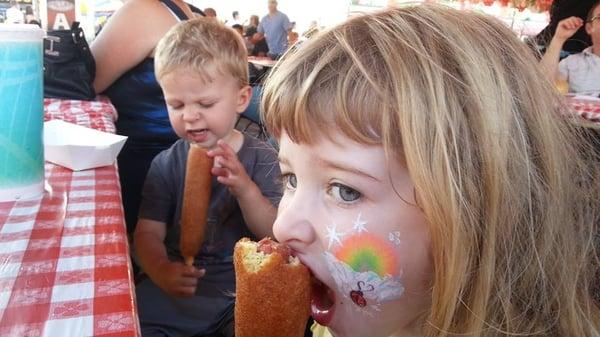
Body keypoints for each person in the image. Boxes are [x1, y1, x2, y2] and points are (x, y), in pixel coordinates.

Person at [261, 5, 599, 337]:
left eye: (345, 191)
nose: (283, 226)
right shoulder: (325, 326)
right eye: (290, 179)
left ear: (476, 212)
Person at [134, 18, 281, 337]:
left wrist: (245, 190)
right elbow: (147, 234)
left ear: (242, 99)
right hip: (177, 286)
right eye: (176, 104)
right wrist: (160, 270)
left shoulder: (261, 158)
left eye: (205, 103)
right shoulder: (166, 163)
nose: (190, 115)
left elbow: (276, 233)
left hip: (238, 290)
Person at [91, 0, 204, 234]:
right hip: (180, 171)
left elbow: (81, 83)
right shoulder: (184, 12)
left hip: (140, 175)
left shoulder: (144, 11)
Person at [540, 1, 600, 94]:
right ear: (589, 28)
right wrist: (558, 39)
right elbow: (541, 87)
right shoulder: (571, 64)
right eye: (599, 17)